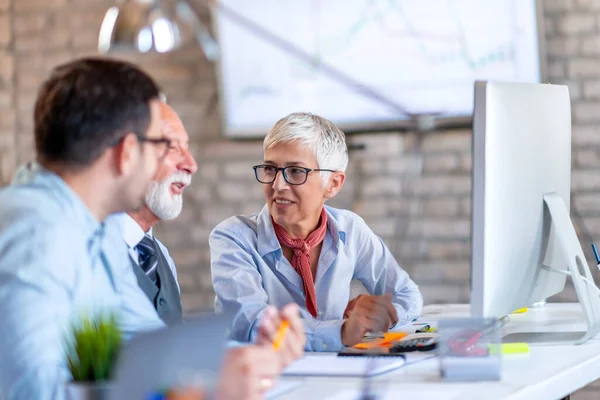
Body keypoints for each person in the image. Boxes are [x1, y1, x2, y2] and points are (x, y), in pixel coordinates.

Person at [0, 58, 304, 400]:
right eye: (161, 145)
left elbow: (141, 348)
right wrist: (200, 392)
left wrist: (245, 355)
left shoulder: (93, 233)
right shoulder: (37, 230)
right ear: (128, 152)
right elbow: (31, 394)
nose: (178, 163)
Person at [210, 112, 423, 351]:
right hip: (265, 379)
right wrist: (341, 331)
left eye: (296, 172)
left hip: (336, 375)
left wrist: (379, 316)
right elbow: (251, 325)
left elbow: (407, 295)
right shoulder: (234, 238)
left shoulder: (350, 230)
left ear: (333, 184)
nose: (278, 185)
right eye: (270, 169)